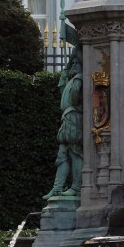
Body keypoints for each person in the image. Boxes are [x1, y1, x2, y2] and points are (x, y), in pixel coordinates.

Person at [45, 50, 83, 198]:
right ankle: (57, 188)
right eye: (71, 63)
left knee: (75, 153)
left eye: (76, 63)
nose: (73, 65)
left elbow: (74, 96)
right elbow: (64, 92)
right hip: (67, 117)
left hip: (74, 117)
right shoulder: (73, 79)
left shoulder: (79, 78)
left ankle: (76, 187)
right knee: (62, 155)